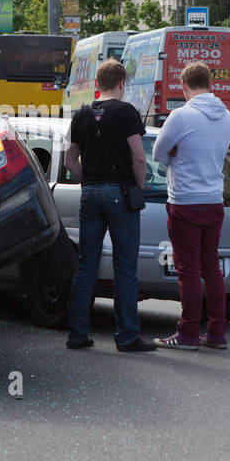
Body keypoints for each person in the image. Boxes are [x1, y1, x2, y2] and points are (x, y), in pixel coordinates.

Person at [64, 59, 156, 353]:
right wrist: (136, 187)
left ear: (96, 85)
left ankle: (77, 334)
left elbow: (69, 159)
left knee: (86, 266)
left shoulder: (81, 114)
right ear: (121, 84)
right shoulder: (127, 111)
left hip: (89, 195)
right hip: (120, 194)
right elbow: (139, 156)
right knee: (125, 269)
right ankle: (127, 337)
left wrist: (88, 181)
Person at [151, 62, 230, 351]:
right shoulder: (225, 116)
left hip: (185, 201)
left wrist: (176, 152)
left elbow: (158, 152)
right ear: (210, 84)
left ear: (184, 87)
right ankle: (216, 332)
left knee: (187, 270)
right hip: (214, 200)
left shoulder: (181, 116)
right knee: (211, 267)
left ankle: (187, 333)